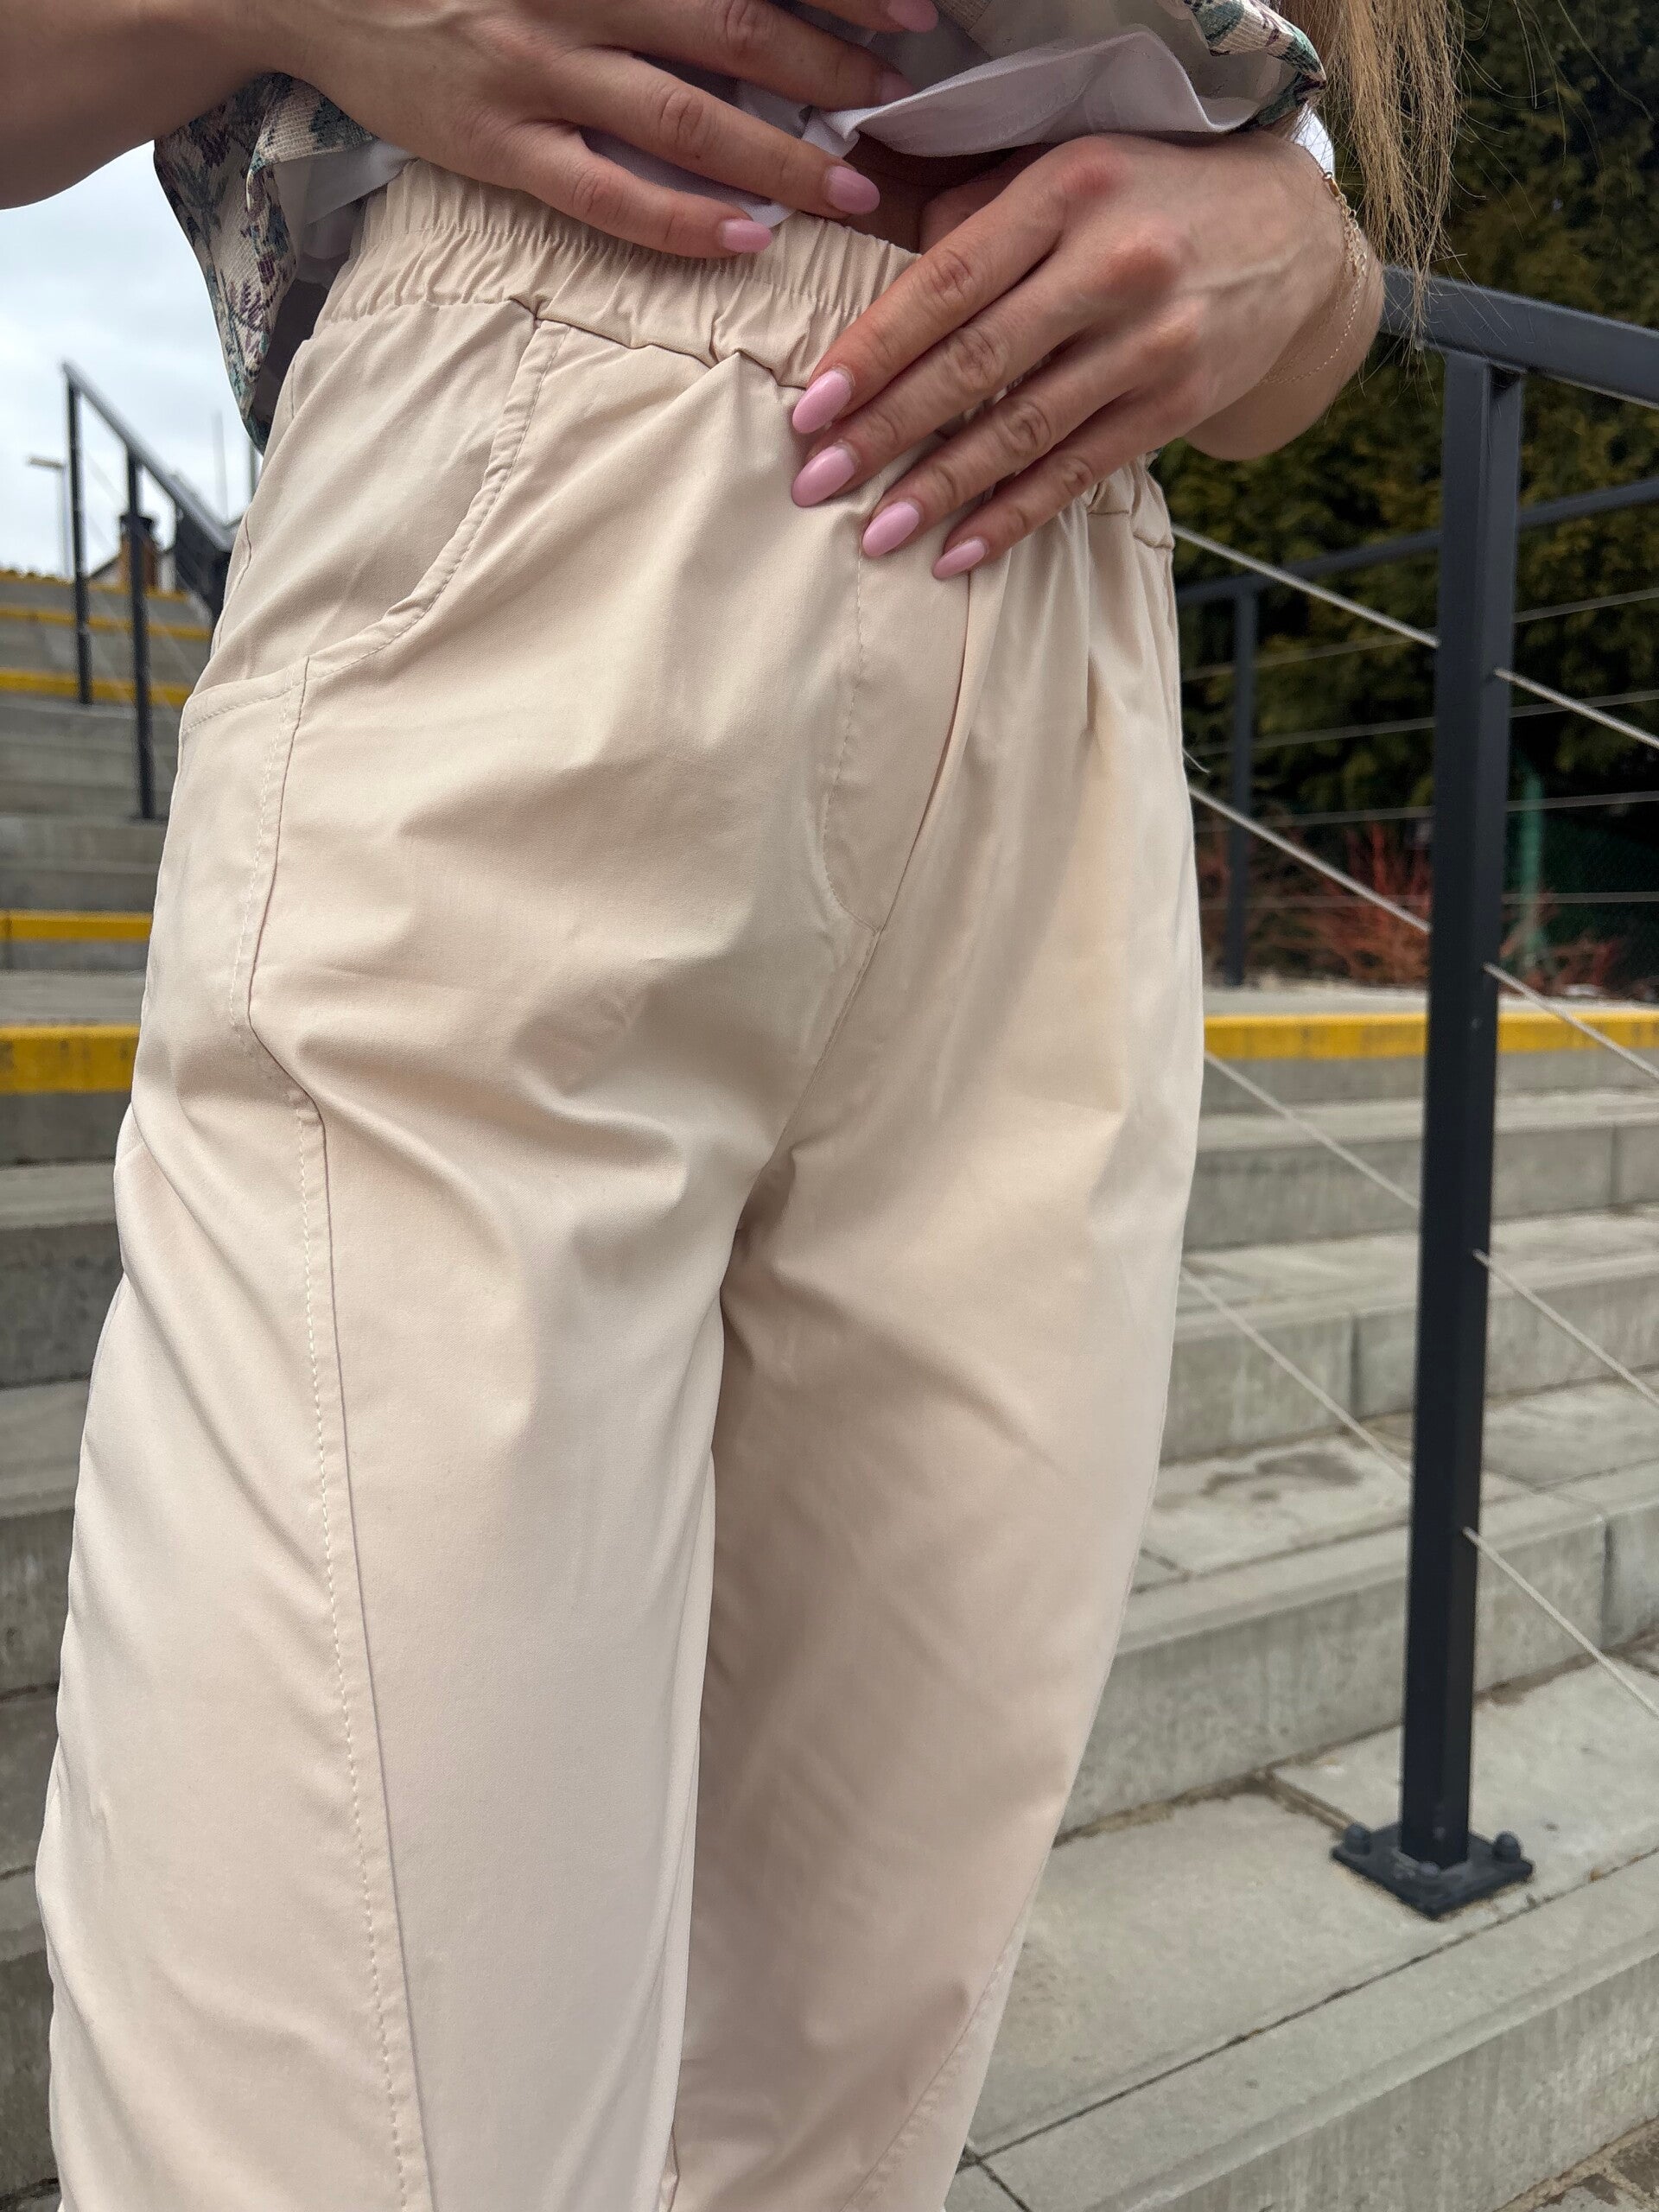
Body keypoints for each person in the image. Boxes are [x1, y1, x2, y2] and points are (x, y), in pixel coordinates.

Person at [3, 0, 1451, 2204]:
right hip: (519, 486)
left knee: (835, 2107)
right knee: (336, 2121)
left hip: (1061, 609)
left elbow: (1285, 296)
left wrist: (1306, 255)